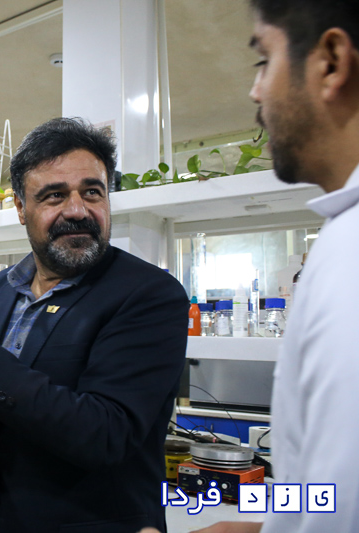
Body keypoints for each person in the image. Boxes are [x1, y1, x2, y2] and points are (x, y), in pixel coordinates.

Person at [0, 117, 189, 532]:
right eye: (54, 195)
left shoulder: (150, 294)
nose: (77, 210)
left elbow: (105, 434)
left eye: (92, 192)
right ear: (20, 209)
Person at [193, 1, 359, 532]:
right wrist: (262, 522)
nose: (255, 90)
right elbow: (324, 489)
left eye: (264, 61)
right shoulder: (339, 235)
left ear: (331, 62)